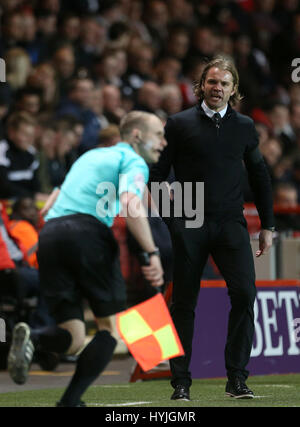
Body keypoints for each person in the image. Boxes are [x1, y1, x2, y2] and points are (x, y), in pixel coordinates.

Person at [7, 111, 166, 407]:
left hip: (51, 235)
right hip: (87, 233)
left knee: (74, 335)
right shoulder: (133, 160)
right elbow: (132, 203)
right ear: (137, 136)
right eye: (158, 135)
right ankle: (69, 402)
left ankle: (34, 337)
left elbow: (51, 201)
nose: (163, 143)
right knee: (110, 328)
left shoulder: (89, 157)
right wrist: (152, 253)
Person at [149, 55, 275, 401]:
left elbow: (260, 176)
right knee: (184, 303)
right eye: (211, 82)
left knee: (246, 293)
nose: (216, 88)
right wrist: (172, 221)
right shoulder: (178, 123)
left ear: (234, 90)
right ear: (201, 86)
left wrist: (268, 224)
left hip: (231, 223)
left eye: (223, 83)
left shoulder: (246, 126)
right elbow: (157, 177)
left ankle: (236, 378)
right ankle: (181, 383)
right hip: (189, 223)